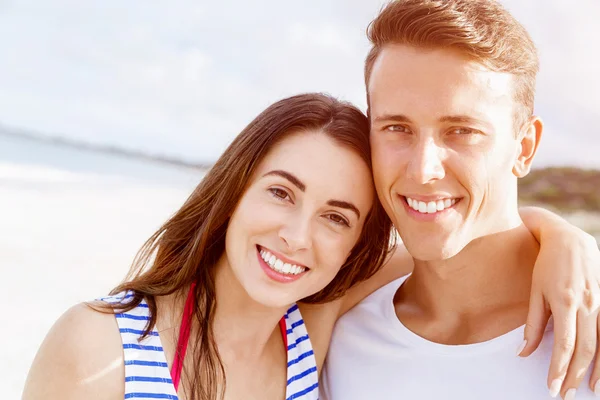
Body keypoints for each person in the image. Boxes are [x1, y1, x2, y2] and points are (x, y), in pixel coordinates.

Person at [22, 88, 598, 400]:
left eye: (336, 218)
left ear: (354, 249)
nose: (297, 238)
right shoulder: (101, 345)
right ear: (234, 189)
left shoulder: (309, 334)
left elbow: (468, 245)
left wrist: (562, 237)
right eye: (281, 193)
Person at [321, 1, 600, 400]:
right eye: (397, 127)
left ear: (524, 147)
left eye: (461, 131)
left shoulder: (591, 330)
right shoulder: (339, 334)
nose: (422, 170)